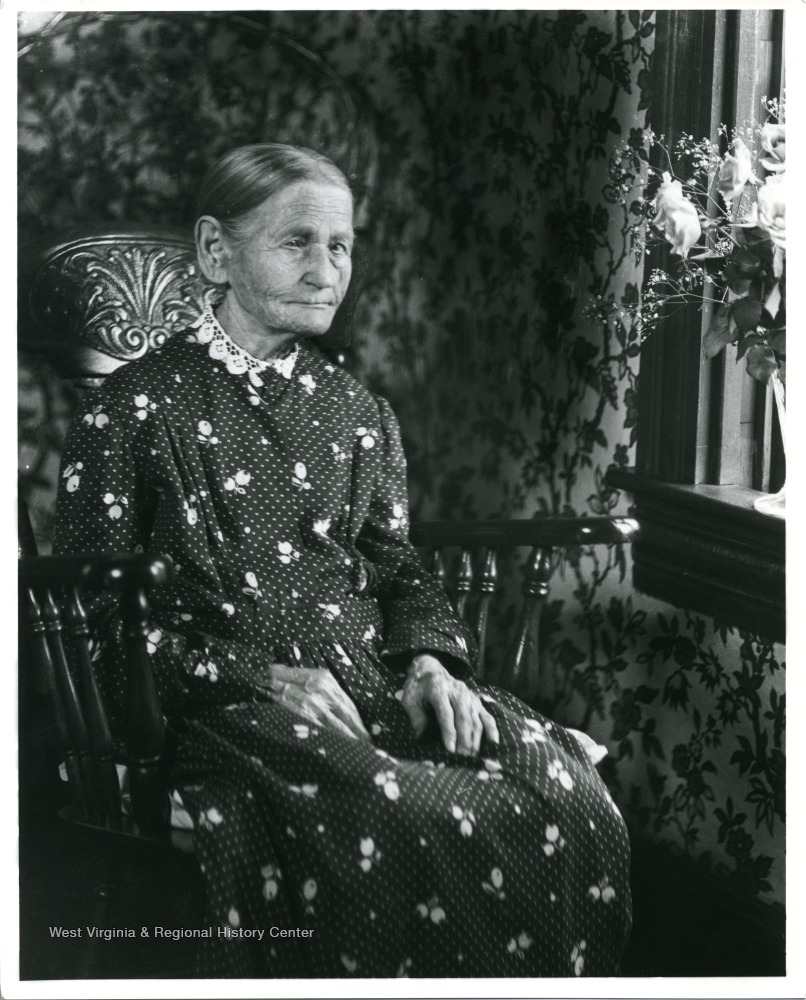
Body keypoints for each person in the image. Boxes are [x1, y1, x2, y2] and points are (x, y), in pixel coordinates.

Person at [54, 143, 631, 978]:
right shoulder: (136, 407)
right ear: (217, 251)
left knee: (570, 791)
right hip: (222, 703)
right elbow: (97, 623)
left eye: (342, 245)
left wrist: (433, 661)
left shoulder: (358, 411)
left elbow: (396, 568)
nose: (326, 268)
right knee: (395, 809)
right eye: (297, 242)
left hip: (369, 676)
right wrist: (259, 678)